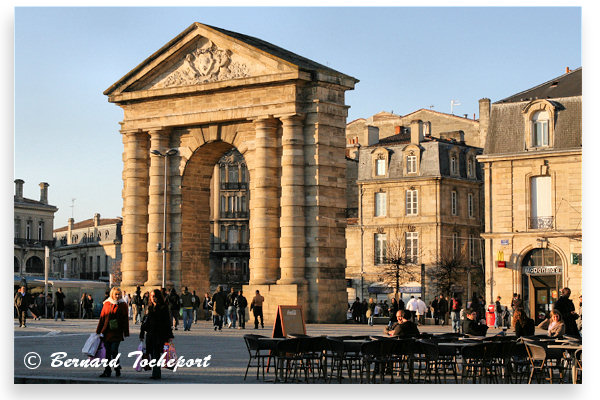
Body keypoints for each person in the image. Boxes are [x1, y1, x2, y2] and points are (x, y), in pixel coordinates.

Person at [139, 289, 174, 380]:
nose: (153, 298)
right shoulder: (149, 308)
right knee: (153, 354)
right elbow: (145, 323)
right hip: (150, 335)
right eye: (151, 296)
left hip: (160, 335)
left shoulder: (163, 308)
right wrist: (142, 333)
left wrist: (170, 336)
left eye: (155, 296)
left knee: (156, 354)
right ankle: (156, 372)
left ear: (158, 297)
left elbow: (167, 322)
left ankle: (156, 373)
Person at [96, 287, 129, 378]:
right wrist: (98, 331)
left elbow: (125, 319)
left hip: (117, 332)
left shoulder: (123, 304)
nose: (117, 296)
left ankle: (117, 367)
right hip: (107, 331)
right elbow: (102, 317)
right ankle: (107, 370)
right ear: (112, 294)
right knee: (107, 352)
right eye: (116, 294)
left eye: (119, 294)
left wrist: (126, 332)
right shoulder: (107, 303)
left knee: (114, 351)